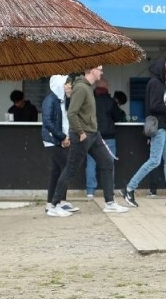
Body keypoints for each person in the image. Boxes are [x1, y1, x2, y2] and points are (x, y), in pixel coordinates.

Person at [54, 65, 124, 213]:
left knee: (107, 162)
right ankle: (54, 205)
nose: (102, 72)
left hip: (93, 134)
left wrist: (94, 131)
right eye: (100, 69)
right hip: (82, 135)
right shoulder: (81, 88)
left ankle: (110, 203)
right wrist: (80, 132)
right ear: (92, 70)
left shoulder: (87, 87)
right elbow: (72, 113)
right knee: (71, 169)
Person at [125, 57, 166, 206]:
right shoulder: (156, 84)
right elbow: (154, 107)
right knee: (154, 161)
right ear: (162, 70)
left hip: (165, 128)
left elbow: (159, 109)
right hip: (159, 129)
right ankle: (129, 189)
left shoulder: (159, 84)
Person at [40, 75, 74, 217]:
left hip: (59, 140)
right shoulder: (50, 100)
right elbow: (47, 122)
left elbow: (65, 120)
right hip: (52, 140)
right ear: (60, 85)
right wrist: (62, 137)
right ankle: (55, 203)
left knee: (57, 171)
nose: (69, 86)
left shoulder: (62, 100)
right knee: (66, 168)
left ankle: (56, 203)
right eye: (67, 84)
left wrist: (66, 137)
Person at [84, 81, 122, 200]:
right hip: (108, 136)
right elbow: (118, 117)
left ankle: (90, 191)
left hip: (92, 135)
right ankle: (109, 190)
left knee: (91, 163)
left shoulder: (90, 100)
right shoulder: (110, 101)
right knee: (109, 164)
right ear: (106, 87)